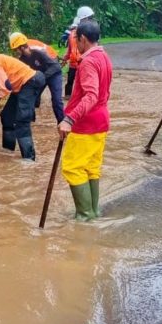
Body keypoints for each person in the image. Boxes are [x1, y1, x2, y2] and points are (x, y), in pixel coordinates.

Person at [58, 19, 113, 221]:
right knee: (90, 167)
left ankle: (84, 214)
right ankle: (93, 212)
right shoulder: (103, 56)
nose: (75, 46)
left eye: (76, 41)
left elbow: (91, 95)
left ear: (82, 39)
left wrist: (69, 119)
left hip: (86, 123)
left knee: (72, 167)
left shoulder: (88, 61)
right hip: (100, 120)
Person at [9, 32, 65, 123]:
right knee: (31, 95)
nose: (15, 52)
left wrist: (42, 76)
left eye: (16, 50)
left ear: (22, 48)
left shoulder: (39, 50)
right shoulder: (22, 58)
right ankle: (29, 119)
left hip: (54, 73)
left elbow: (56, 67)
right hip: (40, 74)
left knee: (56, 101)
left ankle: (62, 123)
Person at [63, 6, 95, 98]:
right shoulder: (72, 35)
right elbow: (70, 49)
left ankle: (80, 96)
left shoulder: (87, 34)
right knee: (71, 80)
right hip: (74, 62)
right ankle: (69, 95)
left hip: (82, 62)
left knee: (80, 80)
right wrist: (65, 59)